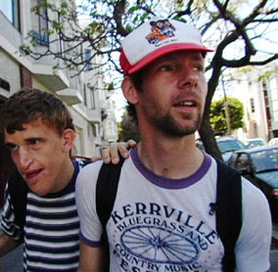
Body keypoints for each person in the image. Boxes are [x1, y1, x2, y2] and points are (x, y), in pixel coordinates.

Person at [76, 18, 272, 271]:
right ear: (132, 90)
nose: (190, 79)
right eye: (168, 68)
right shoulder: (96, 182)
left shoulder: (246, 201)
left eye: (197, 67)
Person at [0, 88, 135, 272]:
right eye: (13, 147)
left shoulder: (96, 183)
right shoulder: (17, 186)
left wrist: (125, 159)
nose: (22, 162)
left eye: (34, 142)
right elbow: (15, 232)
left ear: (67, 141)